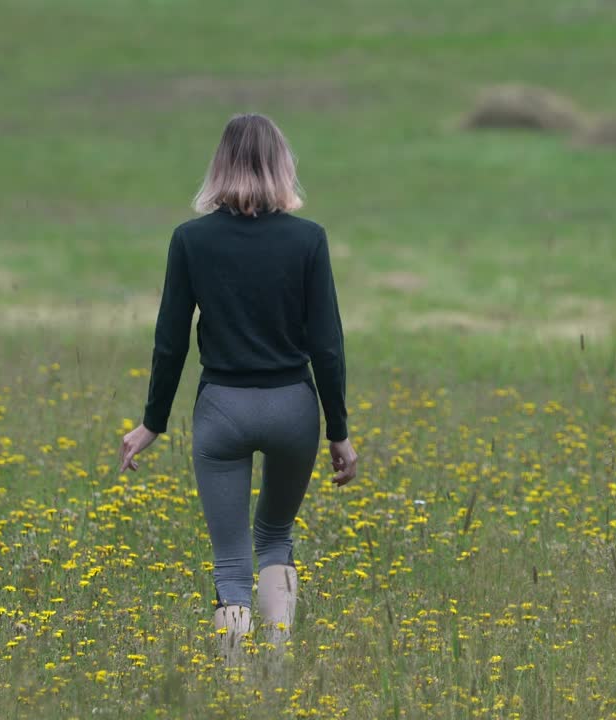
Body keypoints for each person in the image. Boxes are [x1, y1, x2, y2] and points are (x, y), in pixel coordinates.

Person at [117, 113, 358, 653]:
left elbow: (170, 342)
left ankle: (234, 687)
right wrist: (338, 432)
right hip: (294, 408)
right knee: (274, 537)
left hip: (222, 409)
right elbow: (327, 345)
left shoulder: (190, 240)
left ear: (219, 166)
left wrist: (151, 424)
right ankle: (276, 670)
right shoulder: (308, 240)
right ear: (282, 166)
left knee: (230, 560)